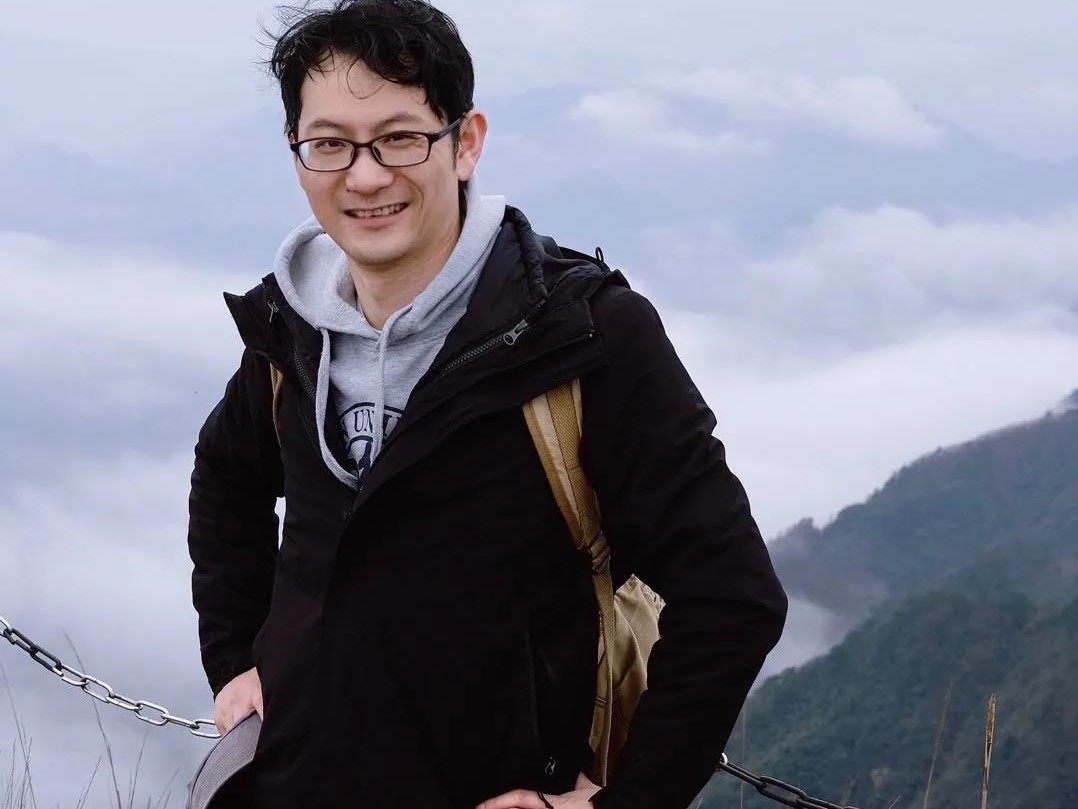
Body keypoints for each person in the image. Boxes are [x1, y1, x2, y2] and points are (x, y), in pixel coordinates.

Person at [186, 1, 788, 807]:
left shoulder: (579, 335)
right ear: (297, 152)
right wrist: (234, 660)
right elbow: (226, 477)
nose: (364, 175)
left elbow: (733, 593)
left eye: (400, 138)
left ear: (465, 141)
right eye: (329, 144)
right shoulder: (289, 329)